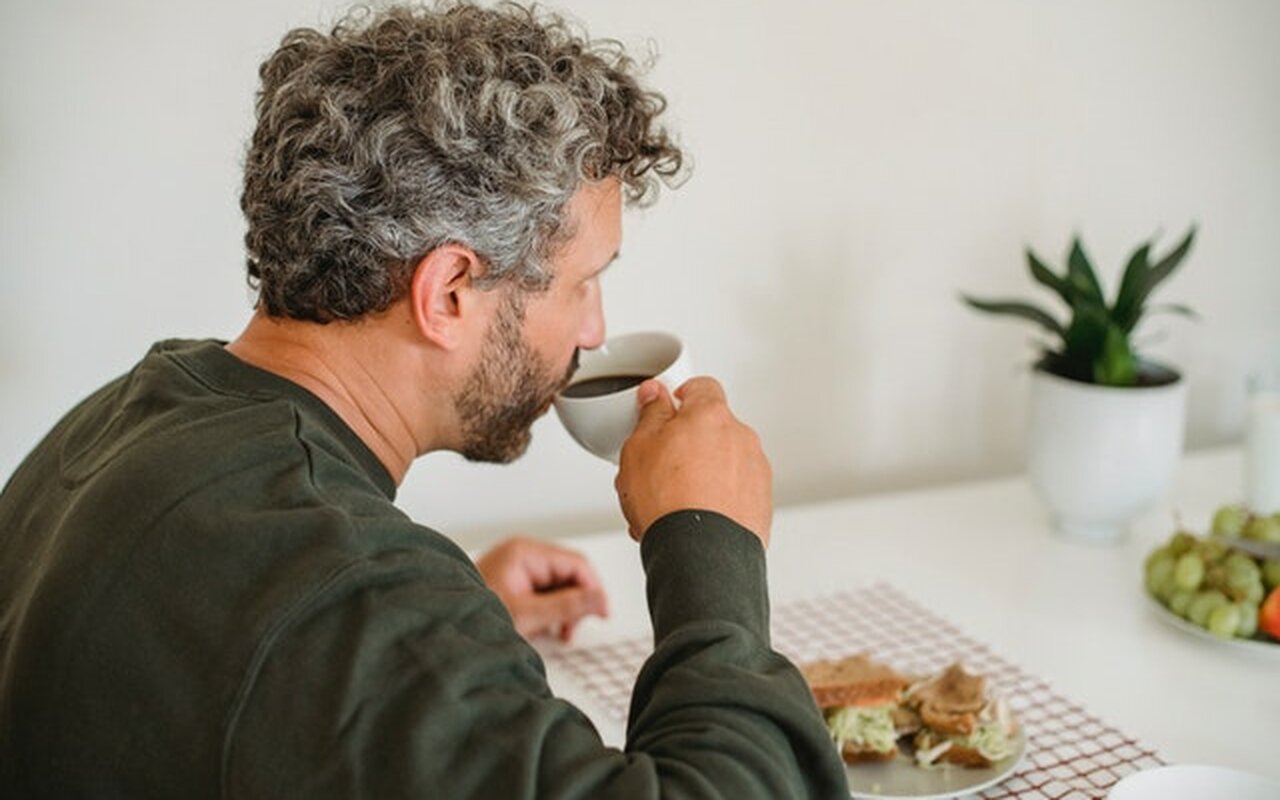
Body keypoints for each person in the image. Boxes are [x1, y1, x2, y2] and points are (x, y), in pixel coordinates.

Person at [0, 2, 848, 797]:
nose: (595, 331)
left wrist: (439, 650)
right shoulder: (352, 595)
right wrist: (708, 540)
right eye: (585, 283)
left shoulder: (128, 416)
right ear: (447, 292)